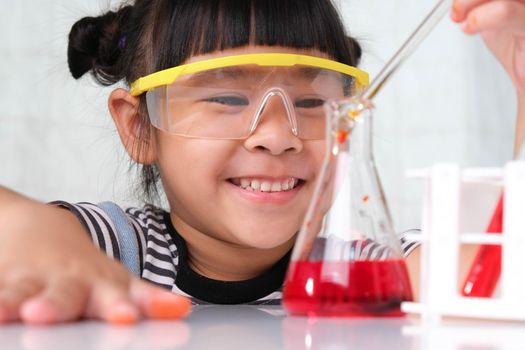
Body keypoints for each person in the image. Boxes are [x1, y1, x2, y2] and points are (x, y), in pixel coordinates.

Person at [0, 0, 523, 325]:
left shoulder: (360, 266)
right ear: (140, 127)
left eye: (313, 101)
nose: (278, 136)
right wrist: (29, 228)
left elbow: (496, 274)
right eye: (227, 99)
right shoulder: (112, 253)